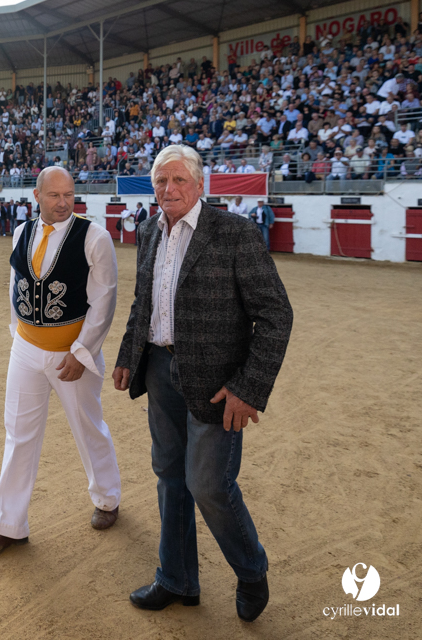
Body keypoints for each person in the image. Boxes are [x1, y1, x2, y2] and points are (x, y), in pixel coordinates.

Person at [112, 144, 292, 623]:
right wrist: (129, 356)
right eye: (160, 182)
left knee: (208, 484)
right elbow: (143, 302)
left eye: (178, 181)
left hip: (218, 384)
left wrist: (249, 388)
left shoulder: (235, 232)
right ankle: (177, 579)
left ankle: (252, 569)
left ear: (199, 186)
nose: (168, 190)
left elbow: (275, 315)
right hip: (159, 370)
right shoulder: (149, 230)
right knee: (170, 478)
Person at [0, 167, 121, 557]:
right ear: (36, 195)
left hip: (71, 353)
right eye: (54, 195)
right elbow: (15, 286)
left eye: (69, 195)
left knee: (88, 426)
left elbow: (104, 300)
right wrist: (19, 337)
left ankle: (108, 498)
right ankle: (8, 525)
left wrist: (81, 352)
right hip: (25, 348)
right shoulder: (22, 231)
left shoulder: (94, 236)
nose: (63, 202)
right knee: (18, 433)